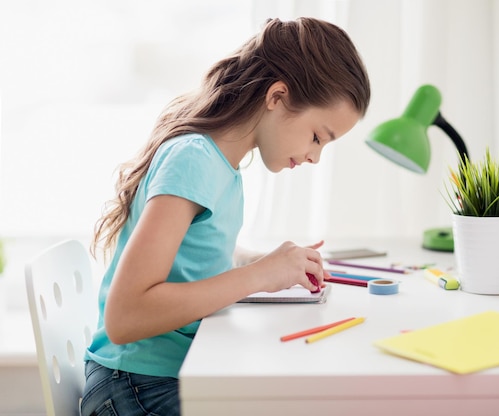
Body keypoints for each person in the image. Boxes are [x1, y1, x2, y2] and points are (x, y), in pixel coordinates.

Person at [81, 16, 370, 416]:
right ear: (278, 97)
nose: (314, 156)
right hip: (134, 386)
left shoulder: (222, 166)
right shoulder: (193, 160)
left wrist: (259, 261)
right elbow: (125, 316)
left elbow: (193, 256)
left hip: (151, 379)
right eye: (317, 136)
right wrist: (259, 275)